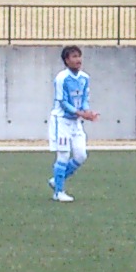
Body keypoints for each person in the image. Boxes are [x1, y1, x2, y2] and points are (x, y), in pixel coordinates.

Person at [48, 45, 99, 202]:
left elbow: (83, 100)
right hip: (61, 121)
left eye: (79, 56)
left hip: (76, 122)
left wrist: (87, 112)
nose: (78, 60)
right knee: (63, 155)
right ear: (66, 60)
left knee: (81, 155)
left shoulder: (84, 78)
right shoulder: (61, 78)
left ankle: (56, 180)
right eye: (74, 57)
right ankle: (59, 191)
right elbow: (63, 102)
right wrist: (81, 113)